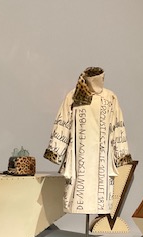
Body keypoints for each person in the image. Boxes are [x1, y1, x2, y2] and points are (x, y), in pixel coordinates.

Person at [44, 67, 132, 214]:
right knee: (79, 193)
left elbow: (118, 126)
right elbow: (63, 122)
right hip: (79, 157)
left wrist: (121, 154)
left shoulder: (110, 97)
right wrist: (56, 151)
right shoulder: (73, 96)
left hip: (102, 160)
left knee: (99, 194)